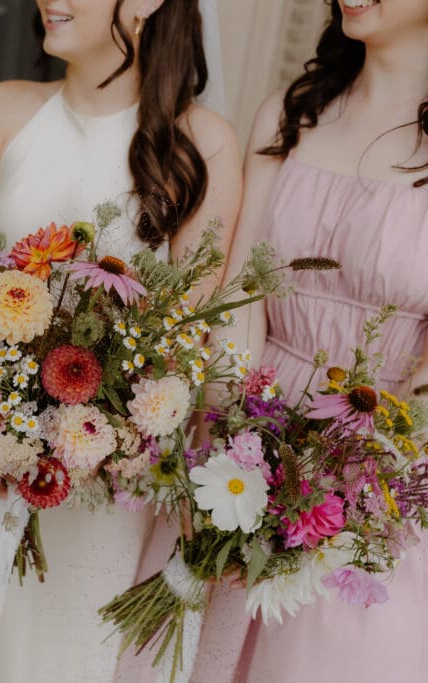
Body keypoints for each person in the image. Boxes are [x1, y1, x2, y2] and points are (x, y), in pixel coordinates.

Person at [0, 0, 240, 681]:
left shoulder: (204, 143)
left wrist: (96, 424)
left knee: (73, 653)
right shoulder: (6, 108)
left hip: (106, 468)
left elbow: (189, 323)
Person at [192, 1, 428, 680]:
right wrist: (236, 441)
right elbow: (241, 294)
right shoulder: (289, 114)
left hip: (384, 460)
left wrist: (373, 466)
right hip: (253, 434)